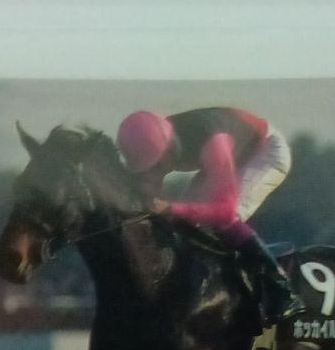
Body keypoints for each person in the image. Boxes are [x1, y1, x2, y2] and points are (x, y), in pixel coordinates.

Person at [115, 107, 305, 325]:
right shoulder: (155, 140)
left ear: (167, 150)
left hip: (265, 151)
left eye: (157, 166)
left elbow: (224, 211)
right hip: (232, 152)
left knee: (226, 221)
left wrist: (170, 208)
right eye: (149, 168)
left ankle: (283, 291)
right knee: (182, 223)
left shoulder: (212, 145)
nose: (154, 172)